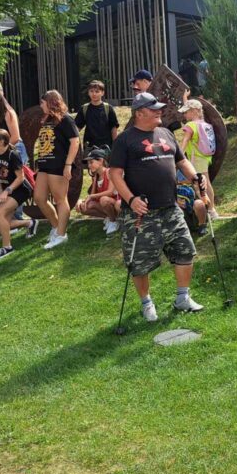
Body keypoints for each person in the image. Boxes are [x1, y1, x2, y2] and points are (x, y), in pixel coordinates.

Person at [109, 92, 205, 322]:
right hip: (140, 214)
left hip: (170, 208)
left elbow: (181, 161)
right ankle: (146, 303)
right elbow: (115, 174)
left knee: (185, 250)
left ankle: (182, 298)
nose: (159, 112)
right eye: (154, 110)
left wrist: (195, 176)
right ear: (139, 113)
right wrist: (131, 200)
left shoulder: (166, 134)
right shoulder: (124, 140)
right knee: (139, 262)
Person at [32, 90, 81, 249]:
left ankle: (61, 234)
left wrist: (68, 165)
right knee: (39, 198)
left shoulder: (66, 119)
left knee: (61, 199)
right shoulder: (47, 119)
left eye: (42, 102)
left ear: (50, 102)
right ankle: (56, 227)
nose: (41, 106)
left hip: (59, 165)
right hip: (44, 165)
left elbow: (75, 142)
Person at [0, 128, 38, 260]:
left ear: (2, 141)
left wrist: (7, 191)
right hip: (7, 190)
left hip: (21, 189)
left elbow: (20, 178)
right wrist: (0, 191)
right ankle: (29, 223)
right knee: (4, 223)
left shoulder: (13, 155)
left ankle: (7, 247)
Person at [0, 90, 27, 220]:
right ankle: (3, 218)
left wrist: (1, 150)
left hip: (14, 149)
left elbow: (15, 136)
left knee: (13, 184)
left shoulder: (8, 113)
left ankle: (17, 219)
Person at [178, 98, 218, 219]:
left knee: (199, 185)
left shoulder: (190, 125)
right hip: (206, 158)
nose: (184, 114)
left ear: (194, 111)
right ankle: (211, 209)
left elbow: (184, 141)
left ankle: (210, 210)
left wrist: (178, 156)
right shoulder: (204, 124)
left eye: (186, 112)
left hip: (196, 158)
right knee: (206, 182)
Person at [75, 148, 121, 235]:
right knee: (84, 207)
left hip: (116, 204)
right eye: (88, 163)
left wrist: (91, 196)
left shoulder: (109, 172)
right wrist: (81, 201)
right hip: (106, 205)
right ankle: (109, 218)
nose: (89, 166)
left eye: (91, 162)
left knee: (104, 199)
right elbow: (92, 196)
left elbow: (110, 192)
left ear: (100, 161)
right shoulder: (95, 176)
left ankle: (113, 221)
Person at [74, 80, 119, 151]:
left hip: (106, 147)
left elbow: (114, 129)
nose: (94, 94)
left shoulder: (108, 108)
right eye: (91, 91)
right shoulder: (84, 108)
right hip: (89, 147)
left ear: (102, 93)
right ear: (88, 93)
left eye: (97, 91)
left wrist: (116, 147)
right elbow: (76, 128)